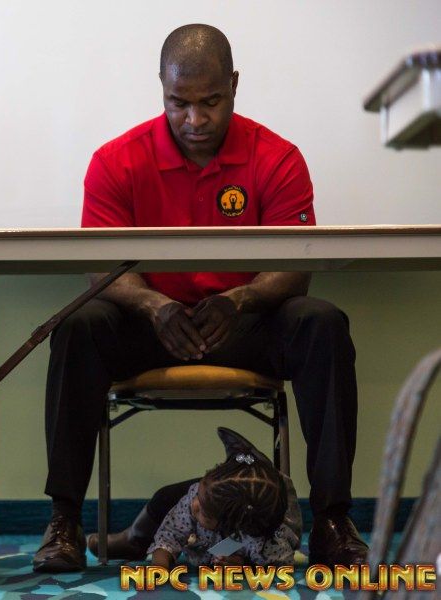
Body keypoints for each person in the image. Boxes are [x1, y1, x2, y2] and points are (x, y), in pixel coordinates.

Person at [32, 24, 368, 573]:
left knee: (321, 322)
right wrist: (153, 306)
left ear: (234, 85)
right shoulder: (117, 160)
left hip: (243, 324)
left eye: (210, 101)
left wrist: (241, 300)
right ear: (161, 89)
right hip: (151, 326)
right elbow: (101, 269)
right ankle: (64, 521)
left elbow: (295, 266)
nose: (194, 119)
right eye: (178, 103)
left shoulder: (277, 157)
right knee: (79, 324)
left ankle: (333, 521)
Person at [88, 428, 302, 567]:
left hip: (264, 520)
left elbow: (280, 567)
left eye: (204, 511)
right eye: (199, 495)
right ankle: (247, 464)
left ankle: (264, 474)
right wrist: (159, 565)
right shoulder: (194, 499)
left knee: (266, 503)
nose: (194, 504)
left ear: (228, 525)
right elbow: (169, 535)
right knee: (165, 496)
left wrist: (244, 565)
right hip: (225, 531)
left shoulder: (266, 543)